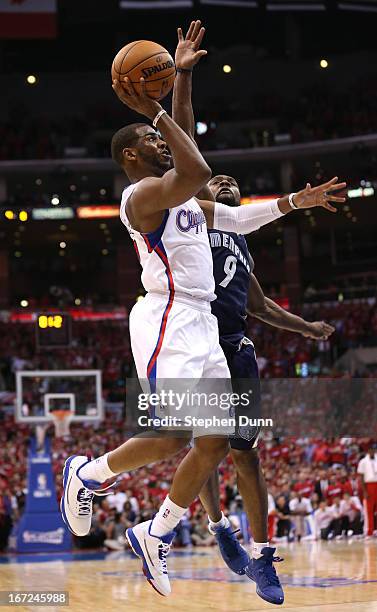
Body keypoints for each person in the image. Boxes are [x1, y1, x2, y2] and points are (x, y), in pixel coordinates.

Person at [60, 20, 346, 598]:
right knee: (171, 439)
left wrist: (297, 200)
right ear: (131, 155)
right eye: (151, 139)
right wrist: (156, 107)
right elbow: (191, 165)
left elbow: (232, 212)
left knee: (214, 440)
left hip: (202, 322)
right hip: (166, 319)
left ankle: (156, 532)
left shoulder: (185, 196)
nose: (162, 140)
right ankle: (87, 473)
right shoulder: (142, 197)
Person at [171, 19, 337, 605]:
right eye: (216, 176)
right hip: (192, 341)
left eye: (232, 179)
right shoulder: (193, 214)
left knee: (246, 453)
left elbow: (263, 305)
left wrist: (307, 326)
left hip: (235, 345)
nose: (225, 178)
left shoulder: (239, 238)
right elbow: (186, 139)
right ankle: (219, 529)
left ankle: (261, 556)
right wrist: (183, 78)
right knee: (205, 446)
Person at [357, 443, 377, 537]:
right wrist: (364, 491)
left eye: (374, 449)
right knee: (369, 510)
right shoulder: (363, 462)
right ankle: (369, 531)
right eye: (371, 450)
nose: (372, 451)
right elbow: (361, 477)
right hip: (369, 486)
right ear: (368, 451)